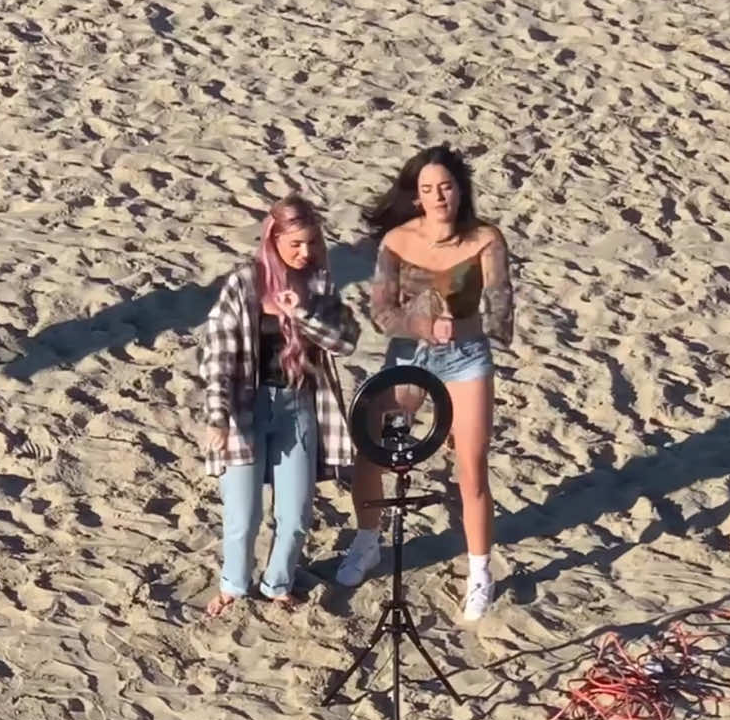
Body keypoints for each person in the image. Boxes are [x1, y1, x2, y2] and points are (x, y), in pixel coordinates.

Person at [335, 145, 514, 621]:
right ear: (416, 196)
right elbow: (381, 312)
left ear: (461, 191)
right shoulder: (396, 240)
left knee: (471, 466)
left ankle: (480, 571)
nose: (438, 196)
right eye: (428, 189)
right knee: (370, 447)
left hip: (466, 360)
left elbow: (501, 316)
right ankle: (367, 541)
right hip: (409, 357)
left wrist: (463, 322)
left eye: (447, 187)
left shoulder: (486, 240)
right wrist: (420, 323)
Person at [200, 193, 360, 618]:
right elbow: (218, 354)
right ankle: (233, 585)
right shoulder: (244, 283)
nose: (305, 253)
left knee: (296, 512)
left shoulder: (319, 284)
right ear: (273, 240)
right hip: (246, 407)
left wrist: (304, 312)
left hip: (298, 403)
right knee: (243, 513)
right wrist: (217, 415)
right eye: (295, 245)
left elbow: (346, 341)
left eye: (311, 244)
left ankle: (278, 583)